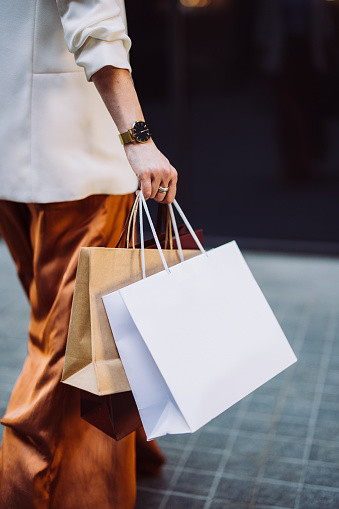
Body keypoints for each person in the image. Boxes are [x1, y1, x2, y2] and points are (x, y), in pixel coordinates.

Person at [0, 1, 177, 507]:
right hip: (76, 162)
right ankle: (20, 492)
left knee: (70, 333)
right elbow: (96, 25)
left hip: (14, 152)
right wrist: (138, 138)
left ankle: (98, 478)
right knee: (64, 350)